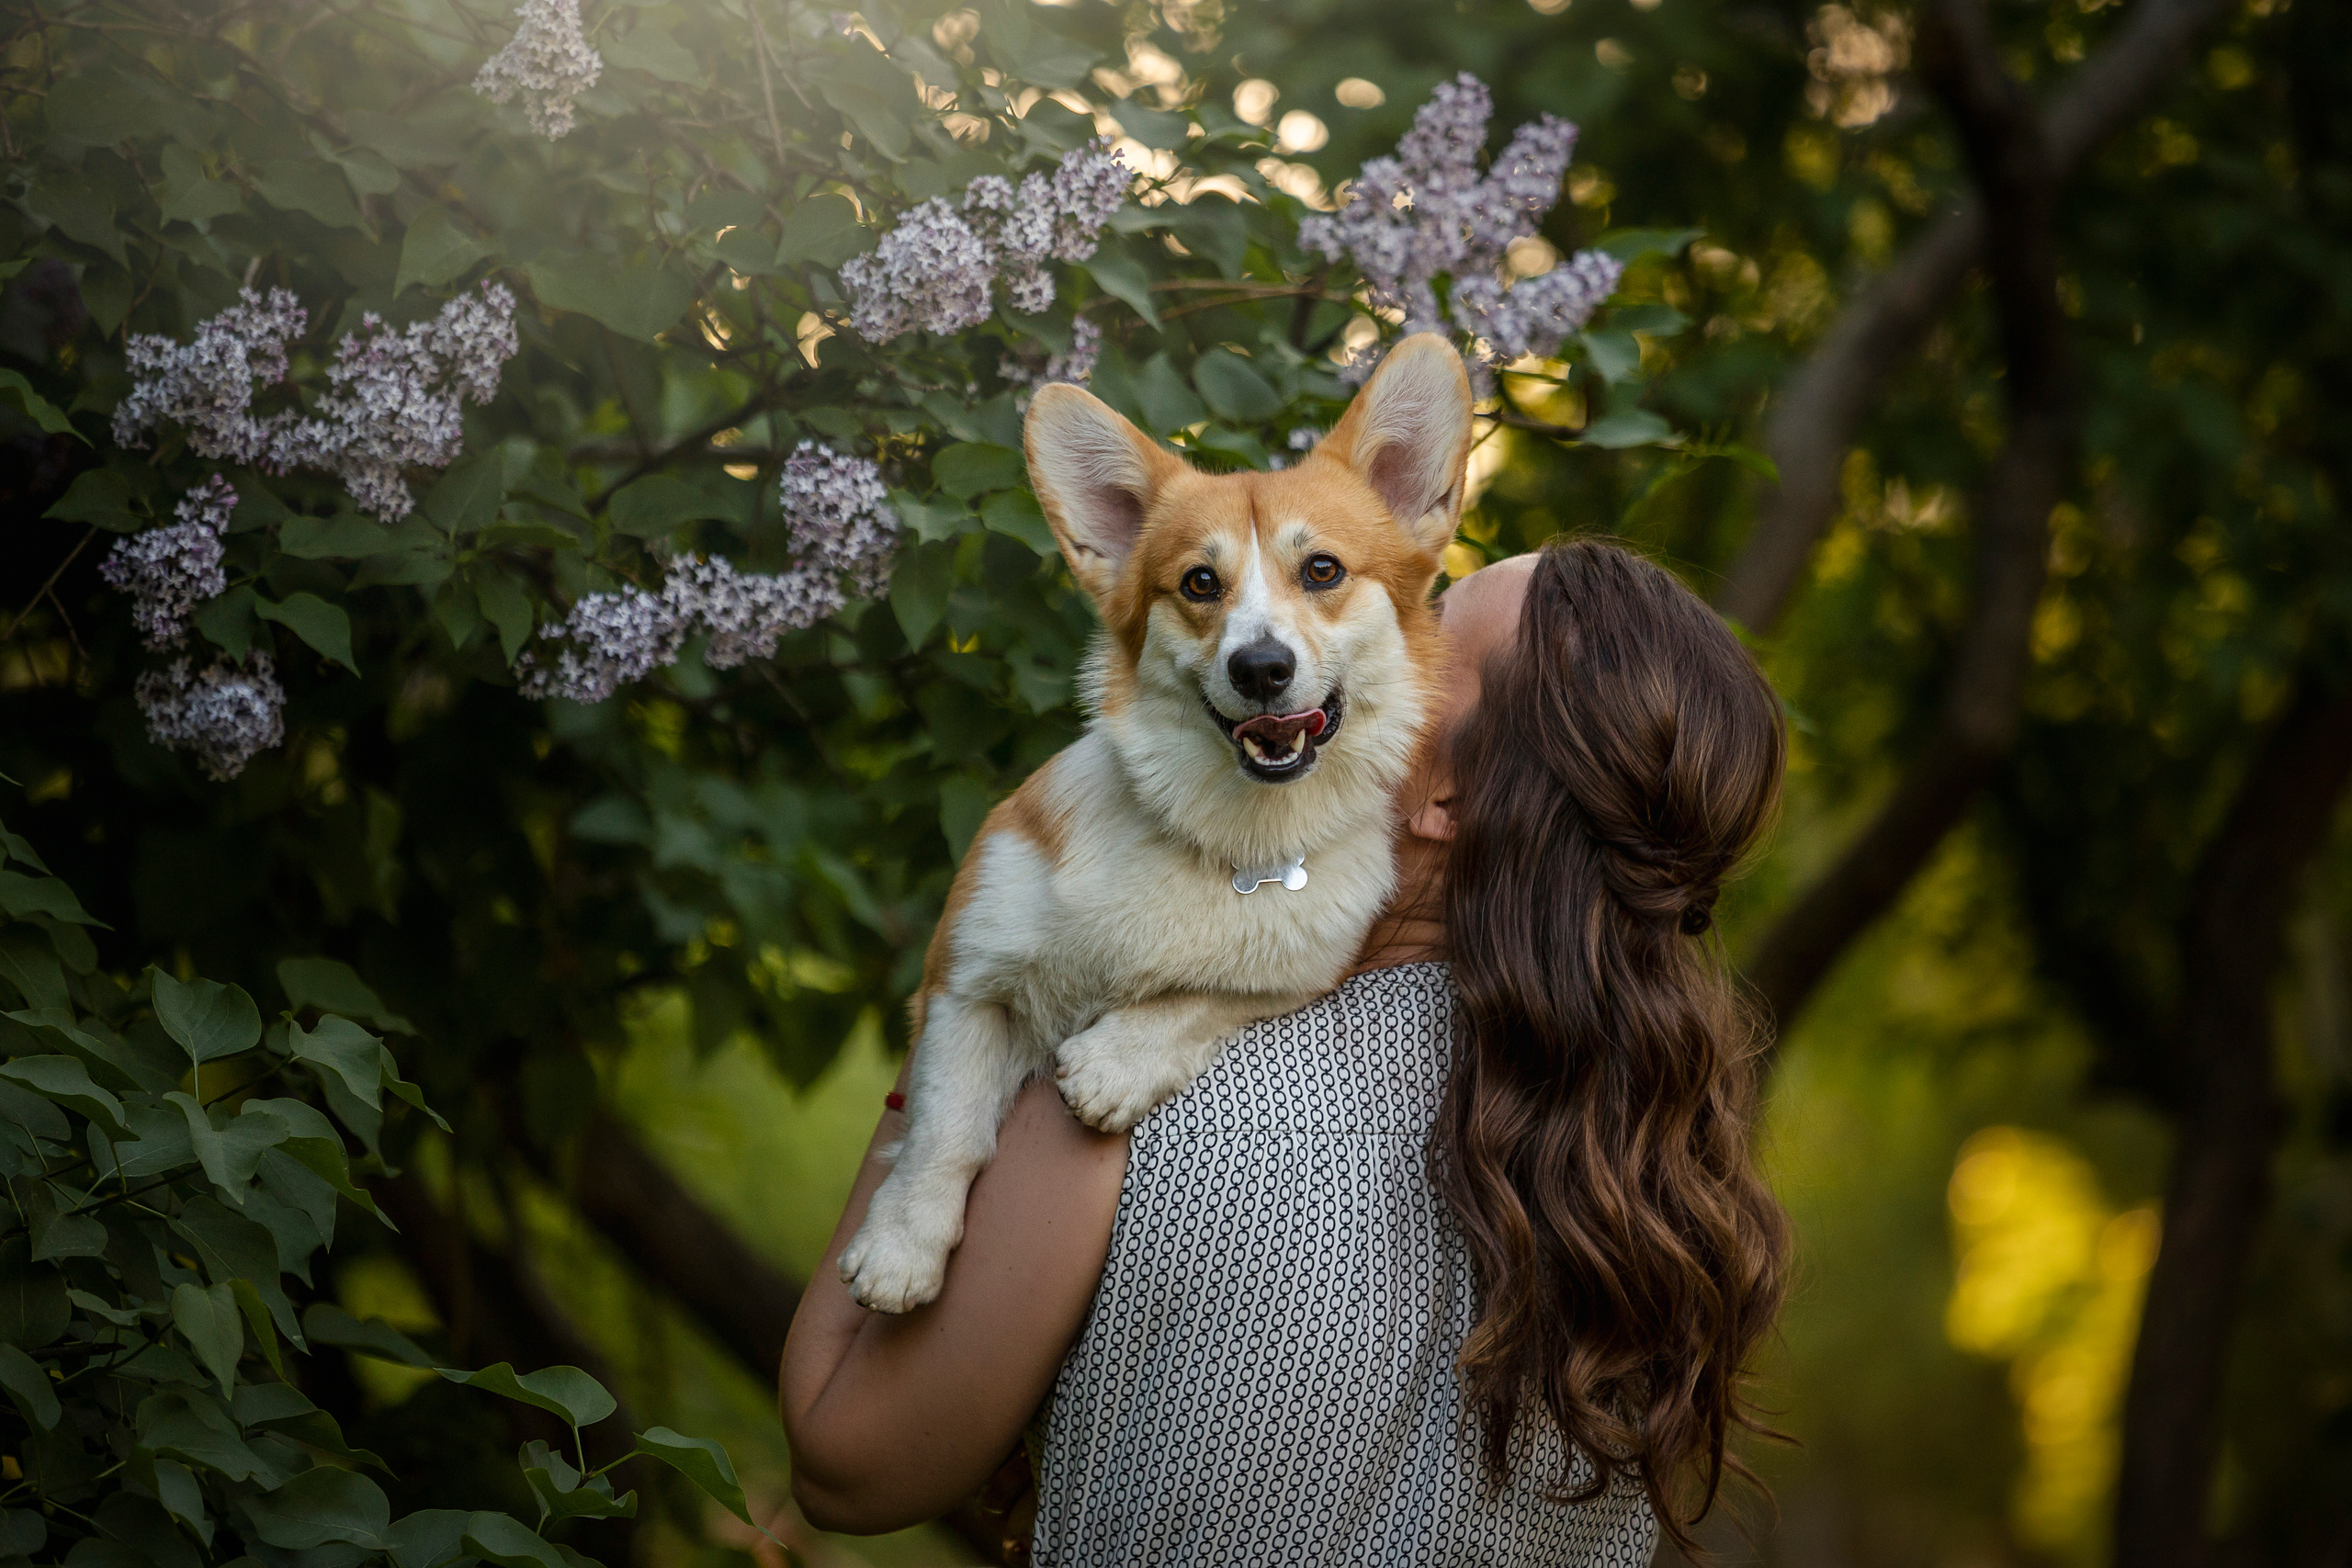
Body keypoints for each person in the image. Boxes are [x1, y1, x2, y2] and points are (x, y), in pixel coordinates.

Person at [781, 536, 1791, 1563]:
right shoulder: (1659, 1208)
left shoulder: (1128, 1097)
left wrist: (962, 1015)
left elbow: (842, 1459)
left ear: (1444, 800)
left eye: (1421, 633)